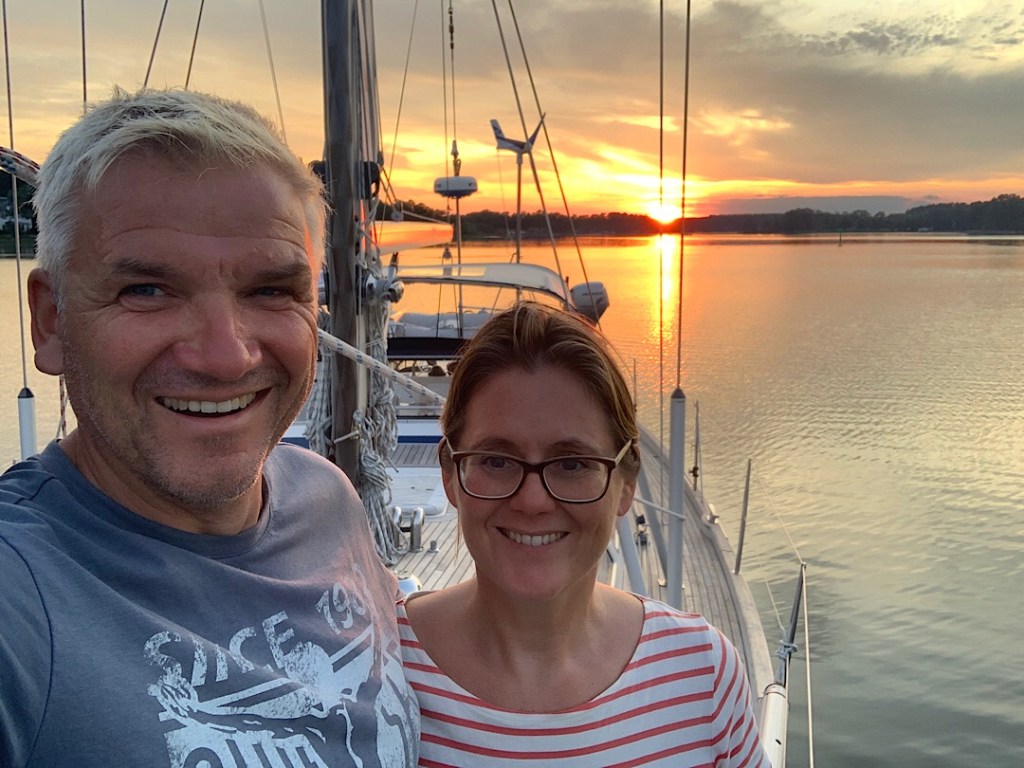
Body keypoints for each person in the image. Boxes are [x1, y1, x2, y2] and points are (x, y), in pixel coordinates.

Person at [0, 88, 418, 767]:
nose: (227, 356)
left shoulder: (327, 499)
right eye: (147, 290)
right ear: (52, 321)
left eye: (271, 290)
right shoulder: (21, 595)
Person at [397, 301, 770, 767]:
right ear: (451, 474)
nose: (533, 500)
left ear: (625, 485)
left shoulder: (702, 677)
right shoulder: (373, 667)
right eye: (496, 460)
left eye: (573, 464)